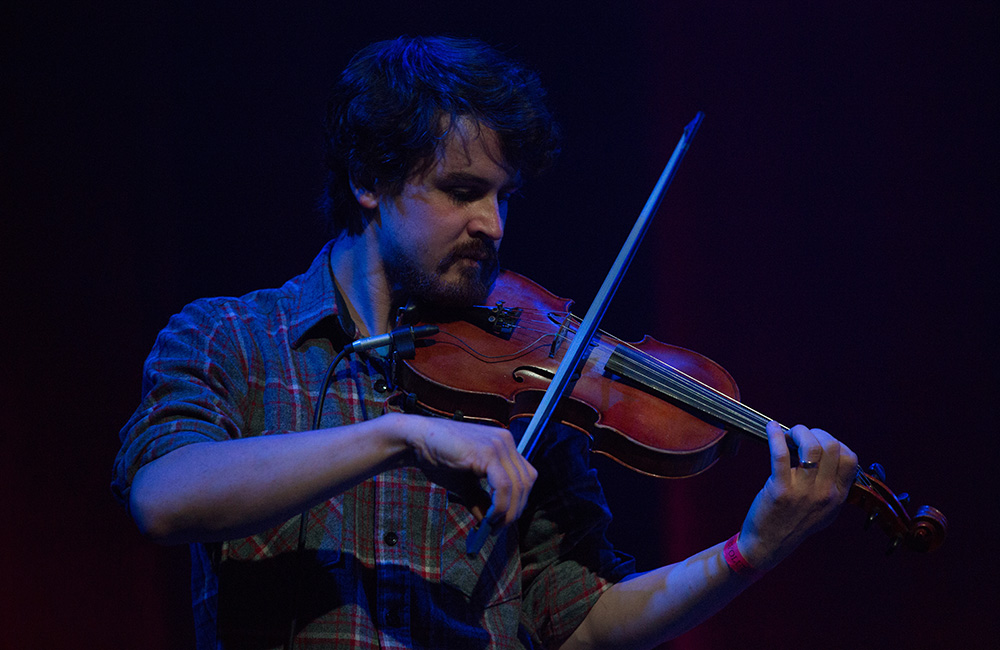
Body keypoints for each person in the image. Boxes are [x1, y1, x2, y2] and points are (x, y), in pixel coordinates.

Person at [112, 36, 858, 649]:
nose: (494, 226)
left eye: (505, 197)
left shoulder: (531, 392)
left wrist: (748, 552)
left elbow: (582, 624)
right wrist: (398, 435)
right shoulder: (231, 339)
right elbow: (164, 497)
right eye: (463, 191)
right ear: (370, 180)